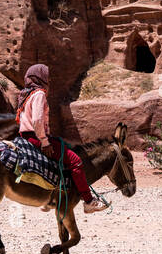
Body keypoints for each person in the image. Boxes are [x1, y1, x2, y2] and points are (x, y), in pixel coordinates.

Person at [16, 63, 108, 213]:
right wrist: (44, 142)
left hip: (27, 137)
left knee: (57, 156)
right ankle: (89, 201)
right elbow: (37, 121)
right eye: (47, 77)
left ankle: (50, 199)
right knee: (75, 161)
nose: (49, 80)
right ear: (40, 77)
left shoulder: (26, 94)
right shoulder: (39, 94)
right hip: (37, 138)